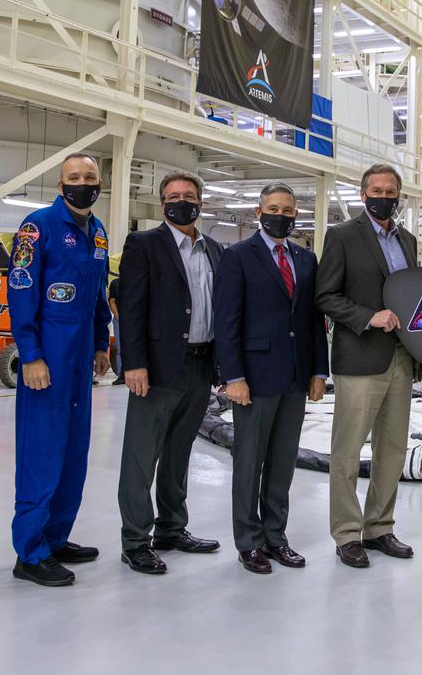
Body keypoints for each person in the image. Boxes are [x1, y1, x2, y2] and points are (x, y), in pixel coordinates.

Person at [7, 153, 112, 587]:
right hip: (47, 357)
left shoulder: (99, 232)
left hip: (81, 356)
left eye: (89, 177)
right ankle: (30, 553)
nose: (82, 183)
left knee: (74, 452)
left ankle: (56, 537)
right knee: (42, 453)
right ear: (60, 181)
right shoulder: (38, 227)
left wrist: (103, 343)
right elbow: (21, 291)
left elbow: (99, 294)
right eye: (75, 177)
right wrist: (29, 354)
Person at [214, 183, 329, 574]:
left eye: (288, 209)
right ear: (259, 212)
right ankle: (248, 542)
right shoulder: (238, 256)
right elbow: (226, 321)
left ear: (296, 215)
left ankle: (275, 537)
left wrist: (318, 370)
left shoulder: (305, 258)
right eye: (273, 208)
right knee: (249, 462)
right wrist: (233, 376)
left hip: (295, 377)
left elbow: (313, 320)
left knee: (282, 463)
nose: (281, 214)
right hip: (255, 378)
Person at [116, 170, 223, 575]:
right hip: (157, 369)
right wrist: (134, 363)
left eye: (190, 195)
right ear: (163, 203)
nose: (183, 201)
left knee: (179, 454)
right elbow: (131, 308)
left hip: (200, 365)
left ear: (201, 201)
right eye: (174, 195)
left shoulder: (214, 250)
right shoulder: (144, 244)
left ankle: (172, 528)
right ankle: (135, 540)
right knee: (142, 458)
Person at [315, 163, 419, 569]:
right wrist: (367, 316)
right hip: (360, 358)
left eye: (390, 190)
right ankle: (346, 533)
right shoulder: (342, 236)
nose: (384, 196)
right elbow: (325, 295)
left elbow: (414, 296)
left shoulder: (408, 241)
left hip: (401, 357)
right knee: (347, 450)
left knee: (391, 450)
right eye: (376, 189)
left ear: (398, 195)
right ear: (363, 195)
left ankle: (380, 527)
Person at [108, 275, 123, 385]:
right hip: (119, 319)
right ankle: (121, 375)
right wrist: (119, 317)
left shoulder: (137, 280)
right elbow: (112, 301)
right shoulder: (116, 283)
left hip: (136, 319)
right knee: (120, 348)